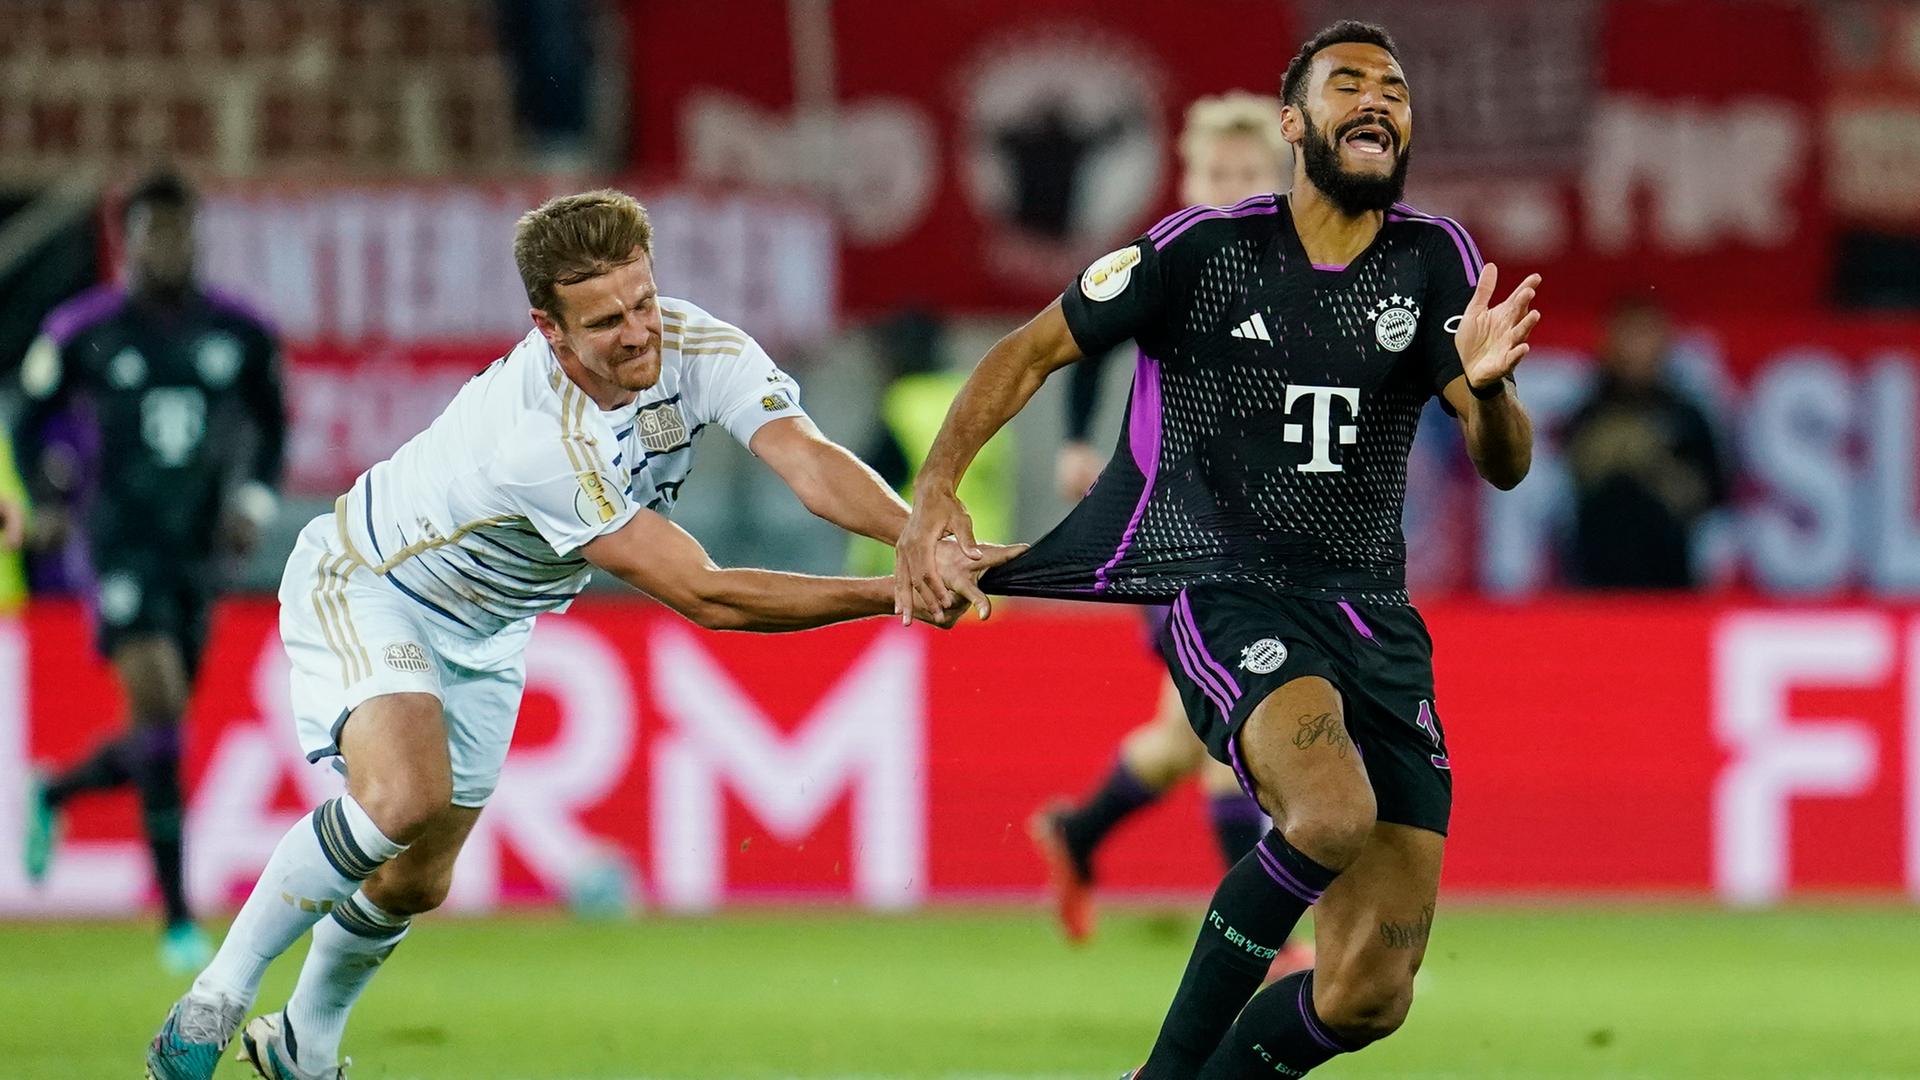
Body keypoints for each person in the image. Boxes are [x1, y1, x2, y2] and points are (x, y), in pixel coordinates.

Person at [138, 189, 1015, 1080]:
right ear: (550, 332)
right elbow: (705, 593)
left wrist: (922, 538)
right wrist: (892, 592)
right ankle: (215, 997)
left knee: (417, 877)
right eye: (606, 322)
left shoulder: (692, 341)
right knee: (404, 794)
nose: (639, 333)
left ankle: (301, 1045)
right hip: (373, 584)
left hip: (493, 628)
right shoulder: (539, 437)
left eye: (643, 302)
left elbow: (805, 456)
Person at [895, 22, 1540, 1078]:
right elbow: (1031, 351)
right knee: (1328, 812)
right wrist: (935, 490)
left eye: (1395, 89)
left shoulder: (1436, 262)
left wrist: (1496, 388)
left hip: (1376, 619)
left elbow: (1503, 461)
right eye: (1349, 85)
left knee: (1367, 996)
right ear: (1296, 123)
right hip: (1229, 592)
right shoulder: (1202, 251)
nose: (1378, 100)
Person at [1034, 91, 1310, 958]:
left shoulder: (1306, 270)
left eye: (1248, 174)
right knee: (1234, 730)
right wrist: (1079, 442)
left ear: (1280, 179)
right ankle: (1267, 951)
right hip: (1179, 529)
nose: (1229, 189)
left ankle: (1079, 835)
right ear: (1190, 177)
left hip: (1265, 533)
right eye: (1216, 173)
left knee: (1179, 740)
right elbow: (1085, 335)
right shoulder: (1169, 259)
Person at [0, 170, 287, 974]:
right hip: (117, 543)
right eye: (153, 232)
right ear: (128, 241)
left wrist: (256, 503)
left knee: (161, 734)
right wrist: (49, 485)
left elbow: (270, 424)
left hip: (198, 550)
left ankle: (56, 792)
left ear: (196, 236)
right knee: (158, 700)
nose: (168, 247)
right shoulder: (85, 330)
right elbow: (30, 417)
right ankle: (177, 920)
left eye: (180, 231)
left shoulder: (239, 332)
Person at [1562, 296, 1728, 589]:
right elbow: (1563, 491)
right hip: (1595, 585)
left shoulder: (1687, 416)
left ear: (1666, 341)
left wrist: (1653, 462)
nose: (1636, 348)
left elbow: (1715, 494)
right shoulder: (1586, 414)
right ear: (1608, 342)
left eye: (1645, 334)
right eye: (1628, 335)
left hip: (1670, 581)